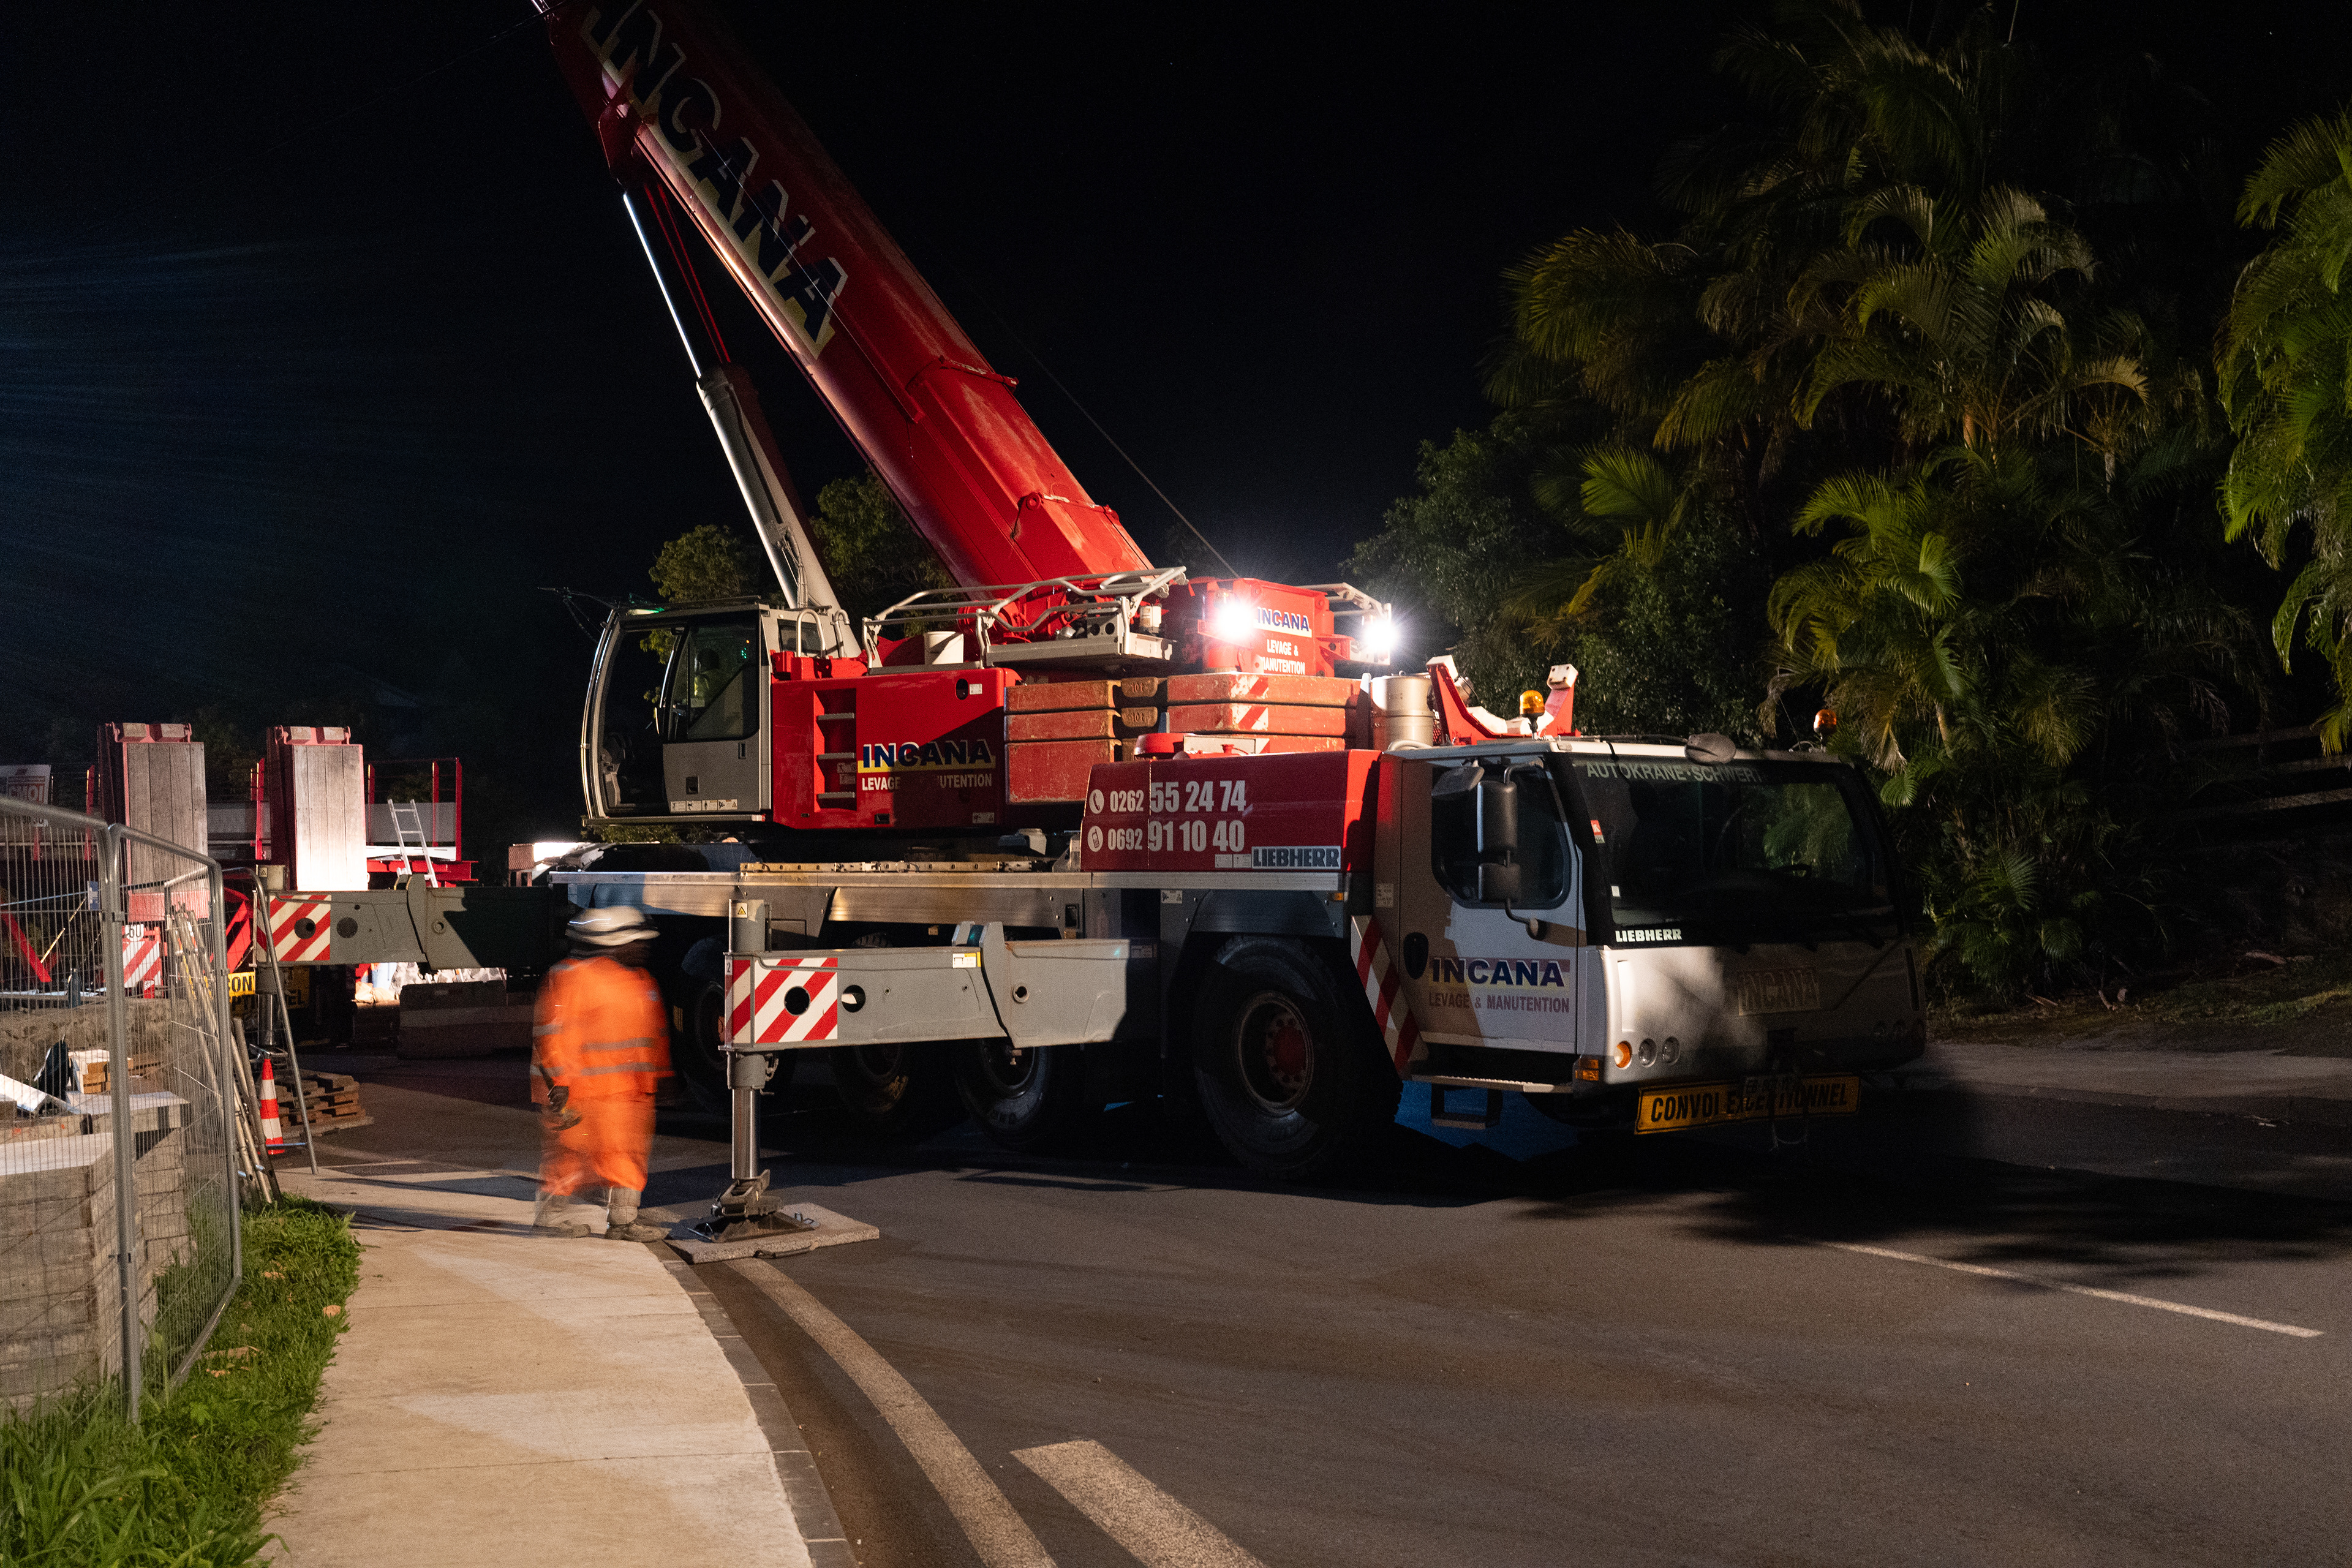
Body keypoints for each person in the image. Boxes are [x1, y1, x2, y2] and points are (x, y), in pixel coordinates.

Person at [532, 905, 673, 1240]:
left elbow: (655, 1033)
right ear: (613, 943)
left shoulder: (641, 981)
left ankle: (624, 1221)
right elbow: (552, 1034)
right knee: (569, 1156)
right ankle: (549, 1218)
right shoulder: (570, 977)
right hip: (581, 1093)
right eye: (637, 942)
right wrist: (560, 1085)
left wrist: (664, 1075)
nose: (644, 948)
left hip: (628, 1094)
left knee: (627, 1156)